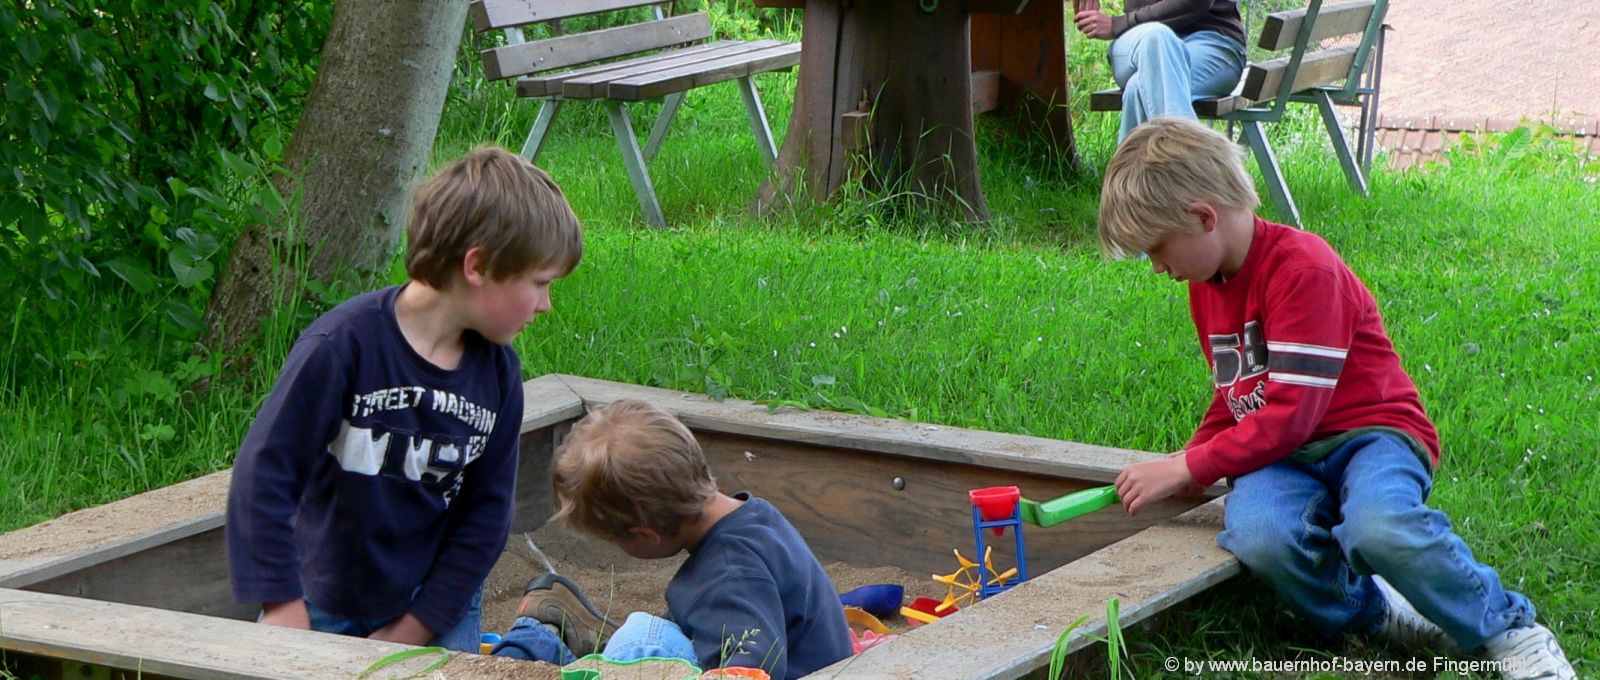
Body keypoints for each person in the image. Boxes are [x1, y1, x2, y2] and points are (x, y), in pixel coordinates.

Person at [1098, 117, 1577, 680]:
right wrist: (1195, 460)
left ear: (1205, 217)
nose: (1157, 267)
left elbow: (1290, 416)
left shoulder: (1303, 268)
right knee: (1260, 535)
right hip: (1285, 452)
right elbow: (1237, 395)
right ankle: (1373, 617)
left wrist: (1189, 465)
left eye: (1157, 249)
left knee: (1380, 527)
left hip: (1369, 434)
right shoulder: (1206, 288)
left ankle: (1507, 629)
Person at [225, 148, 583, 652]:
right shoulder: (343, 347)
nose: (545, 305)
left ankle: (534, 641)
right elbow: (265, 474)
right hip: (323, 595)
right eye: (540, 284)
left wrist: (415, 628)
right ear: (477, 265)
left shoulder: (498, 375)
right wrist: (281, 602)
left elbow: (485, 518)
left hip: (432, 602)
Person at [490, 400, 853, 680]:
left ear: (646, 535)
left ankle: (540, 643)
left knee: (640, 641)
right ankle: (569, 641)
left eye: (618, 541)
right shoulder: (755, 516)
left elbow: (751, 669)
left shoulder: (728, 578)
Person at [1073, 0, 1248, 141]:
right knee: (1157, 38)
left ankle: (1131, 182)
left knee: (1139, 86)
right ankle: (1193, 166)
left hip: (1212, 40)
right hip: (1140, 39)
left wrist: (1119, 24)